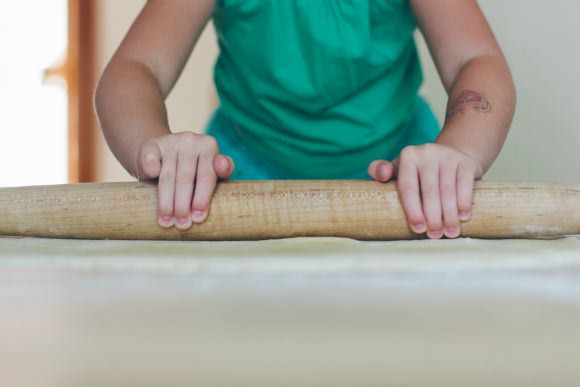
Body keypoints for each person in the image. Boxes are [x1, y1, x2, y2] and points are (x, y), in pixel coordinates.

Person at [95, 0, 515, 239]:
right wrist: (154, 147)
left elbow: (474, 60)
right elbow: (135, 67)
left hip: (409, 182)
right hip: (240, 180)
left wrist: (458, 151)